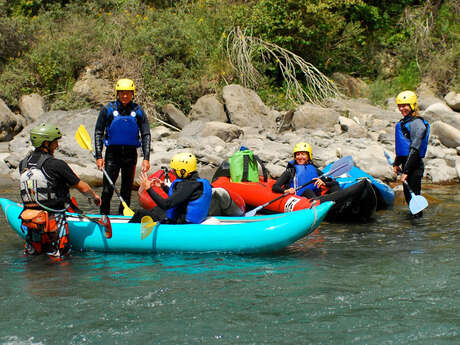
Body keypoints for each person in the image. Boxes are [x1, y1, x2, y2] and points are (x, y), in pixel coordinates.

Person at [19, 124, 101, 257]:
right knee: (60, 261)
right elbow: (83, 187)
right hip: (54, 222)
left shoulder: (23, 164)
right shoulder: (56, 164)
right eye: (55, 142)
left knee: (33, 259)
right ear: (46, 143)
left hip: (32, 221)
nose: (57, 145)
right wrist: (95, 197)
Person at [94, 78, 151, 215]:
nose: (125, 96)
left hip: (130, 155)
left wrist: (146, 157)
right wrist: (99, 155)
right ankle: (104, 216)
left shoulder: (138, 111)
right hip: (112, 155)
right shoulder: (107, 110)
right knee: (107, 190)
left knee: (126, 190)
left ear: (132, 94)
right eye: (122, 93)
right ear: (117, 93)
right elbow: (98, 132)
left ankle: (122, 217)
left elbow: (146, 134)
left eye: (128, 93)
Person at [130, 152, 212, 224]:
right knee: (156, 209)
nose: (173, 173)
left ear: (183, 172)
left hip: (181, 222)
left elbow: (165, 204)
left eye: (175, 171)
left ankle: (126, 232)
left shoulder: (188, 185)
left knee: (140, 213)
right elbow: (180, 196)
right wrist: (163, 186)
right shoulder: (196, 182)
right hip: (190, 218)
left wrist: (148, 188)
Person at [393, 90, 430, 218]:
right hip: (407, 164)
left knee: (413, 199)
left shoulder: (417, 123)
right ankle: (413, 225)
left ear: (412, 105)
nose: (402, 108)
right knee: (409, 199)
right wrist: (397, 163)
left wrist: (406, 171)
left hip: (414, 167)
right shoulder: (405, 122)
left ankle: (417, 228)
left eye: (405, 105)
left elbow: (414, 149)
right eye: (400, 105)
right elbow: (404, 145)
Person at [272, 142, 339, 198]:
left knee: (334, 185)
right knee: (307, 191)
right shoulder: (291, 171)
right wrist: (286, 191)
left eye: (303, 154)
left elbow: (333, 182)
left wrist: (324, 183)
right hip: (300, 199)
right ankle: (318, 204)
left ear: (308, 156)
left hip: (316, 197)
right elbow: (275, 187)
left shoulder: (314, 170)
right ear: (295, 157)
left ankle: (339, 202)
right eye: (298, 154)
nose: (300, 157)